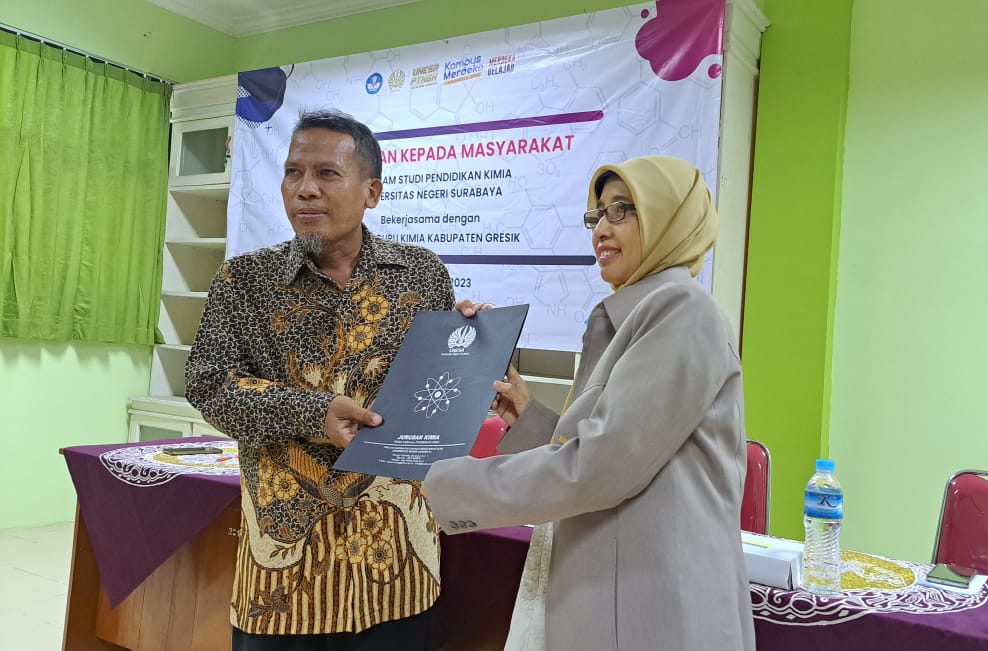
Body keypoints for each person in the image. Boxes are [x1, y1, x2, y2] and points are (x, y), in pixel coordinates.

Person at [424, 155, 756, 650]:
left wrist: (440, 484)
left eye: (622, 210)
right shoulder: (629, 315)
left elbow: (599, 467)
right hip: (618, 594)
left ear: (669, 216)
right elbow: (607, 447)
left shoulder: (682, 311)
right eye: (597, 213)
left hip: (658, 607)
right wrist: (528, 416)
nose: (602, 228)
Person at [185, 109, 454, 650]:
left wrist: (476, 340)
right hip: (285, 577)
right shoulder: (245, 281)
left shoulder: (422, 274)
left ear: (371, 191)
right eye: (294, 172)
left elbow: (441, 389)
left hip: (396, 565)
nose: (305, 189)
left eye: (327, 173)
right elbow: (209, 384)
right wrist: (313, 413)